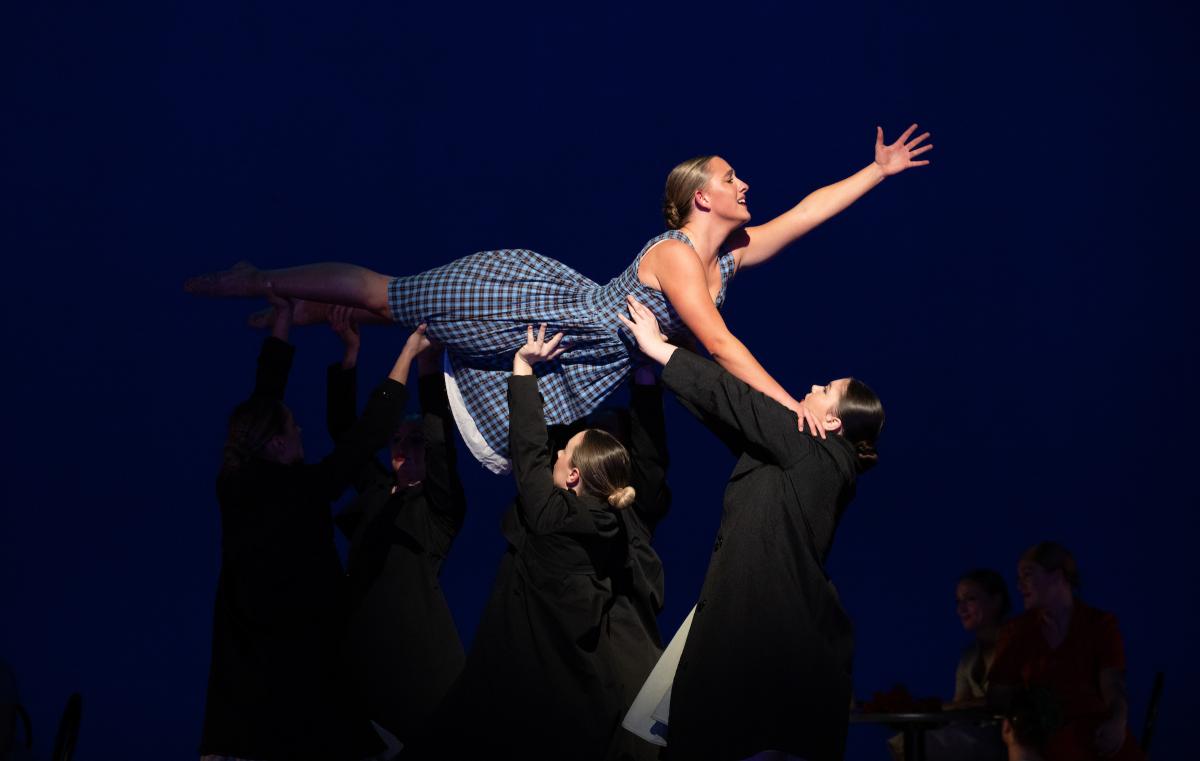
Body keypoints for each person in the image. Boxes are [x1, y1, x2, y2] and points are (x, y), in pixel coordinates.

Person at [184, 127, 931, 472]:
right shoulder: (676, 256)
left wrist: (877, 172)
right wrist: (790, 407)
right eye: (731, 178)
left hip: (572, 357)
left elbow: (802, 214)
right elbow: (719, 345)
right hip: (534, 306)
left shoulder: (727, 257)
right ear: (701, 197)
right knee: (395, 294)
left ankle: (307, 309)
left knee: (415, 319)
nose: (745, 186)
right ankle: (264, 277)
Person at [617, 296, 884, 760]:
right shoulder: (802, 456)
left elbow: (736, 399)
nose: (814, 385)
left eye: (827, 389)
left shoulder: (817, 454)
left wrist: (661, 349)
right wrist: (668, 358)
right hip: (746, 630)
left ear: (832, 420)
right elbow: (730, 416)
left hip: (759, 638)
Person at [408, 325, 663, 761]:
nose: (555, 452)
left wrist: (522, 366)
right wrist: (639, 375)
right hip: (568, 698)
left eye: (563, 452)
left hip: (537, 700)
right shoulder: (598, 521)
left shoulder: (555, 520)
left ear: (574, 476)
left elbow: (529, 447)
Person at [198, 294, 427, 761]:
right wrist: (407, 354)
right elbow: (364, 438)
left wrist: (285, 321)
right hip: (290, 699)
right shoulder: (299, 490)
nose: (301, 431)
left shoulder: (232, 484)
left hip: (241, 705)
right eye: (293, 427)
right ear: (277, 444)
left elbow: (265, 394)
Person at [322, 307, 467, 750]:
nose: (403, 448)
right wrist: (350, 355)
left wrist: (427, 369)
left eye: (414, 441)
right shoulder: (374, 490)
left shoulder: (437, 507)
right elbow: (345, 434)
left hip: (414, 669)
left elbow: (441, 441)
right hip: (358, 658)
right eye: (397, 440)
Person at [988, 542, 1145, 761]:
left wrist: (1118, 719)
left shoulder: (1099, 625)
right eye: (1019, 578)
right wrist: (1022, 714)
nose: (1020, 585)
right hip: (1040, 734)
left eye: (1028, 575)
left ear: (1057, 576)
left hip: (1094, 732)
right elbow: (999, 692)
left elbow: (1113, 683)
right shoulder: (1016, 631)